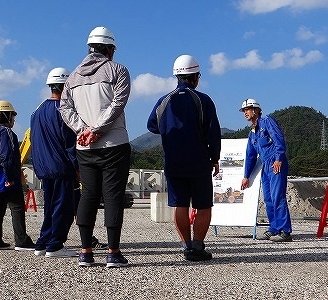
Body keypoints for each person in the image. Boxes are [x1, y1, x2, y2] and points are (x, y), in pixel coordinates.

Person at [59, 26, 132, 268]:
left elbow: (65, 109)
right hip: (114, 144)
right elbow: (118, 104)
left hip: (85, 149)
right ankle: (113, 252)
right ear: (110, 50)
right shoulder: (118, 70)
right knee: (112, 196)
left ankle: (85, 252)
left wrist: (82, 129)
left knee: (89, 195)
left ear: (90, 48)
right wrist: (96, 129)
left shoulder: (72, 78)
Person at [147, 54, 221, 261]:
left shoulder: (163, 101)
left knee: (180, 204)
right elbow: (213, 132)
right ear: (196, 76)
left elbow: (151, 125)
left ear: (176, 76)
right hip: (198, 160)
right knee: (203, 204)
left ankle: (186, 246)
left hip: (173, 160)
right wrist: (214, 157)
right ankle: (198, 246)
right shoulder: (203, 100)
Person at [30, 68, 79, 258]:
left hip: (43, 167)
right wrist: (76, 166)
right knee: (63, 207)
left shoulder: (37, 111)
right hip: (61, 166)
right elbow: (69, 142)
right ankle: (55, 245)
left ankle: (42, 243)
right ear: (66, 87)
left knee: (49, 206)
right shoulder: (63, 110)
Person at [0, 100, 35, 251]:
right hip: (7, 179)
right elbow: (7, 157)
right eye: (12, 116)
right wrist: (10, 178)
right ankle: (21, 241)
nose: (13, 119)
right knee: (17, 207)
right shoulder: (7, 133)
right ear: (7, 115)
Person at [239, 98, 293, 242]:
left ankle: (285, 231)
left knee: (277, 196)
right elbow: (250, 156)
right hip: (265, 166)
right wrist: (246, 176)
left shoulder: (267, 121)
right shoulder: (252, 133)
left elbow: (279, 140)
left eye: (247, 110)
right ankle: (274, 228)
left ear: (255, 110)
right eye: (243, 111)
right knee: (268, 198)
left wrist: (278, 159)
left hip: (276, 163)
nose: (245, 113)